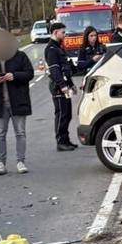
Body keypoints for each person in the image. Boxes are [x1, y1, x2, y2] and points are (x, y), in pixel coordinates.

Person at [0, 30, 34, 175]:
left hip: (18, 100)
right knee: (0, 133)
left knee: (20, 133)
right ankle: (1, 163)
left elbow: (30, 73)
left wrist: (15, 76)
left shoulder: (20, 56)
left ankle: (21, 161)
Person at [45, 21, 77, 151]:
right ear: (55, 32)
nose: (65, 35)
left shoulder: (59, 47)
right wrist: (63, 85)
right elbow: (55, 70)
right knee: (61, 114)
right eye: (63, 32)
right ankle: (60, 141)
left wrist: (71, 84)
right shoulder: (51, 49)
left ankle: (66, 139)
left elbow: (65, 68)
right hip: (58, 87)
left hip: (65, 85)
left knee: (67, 114)